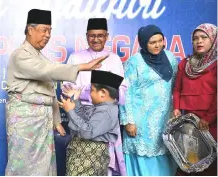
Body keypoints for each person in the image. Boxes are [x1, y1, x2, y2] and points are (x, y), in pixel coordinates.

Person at [5, 9, 107, 176]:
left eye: (50, 31)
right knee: (22, 166)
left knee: (44, 167)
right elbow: (47, 71)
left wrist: (56, 120)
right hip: (24, 123)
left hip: (42, 122)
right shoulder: (20, 55)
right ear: (31, 30)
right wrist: (83, 66)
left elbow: (49, 88)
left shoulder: (38, 56)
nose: (47, 35)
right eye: (44, 30)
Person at [63, 18, 127, 175]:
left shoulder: (114, 59)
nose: (96, 39)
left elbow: (123, 90)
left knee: (104, 164)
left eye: (100, 35)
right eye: (92, 35)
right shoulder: (75, 58)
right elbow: (67, 88)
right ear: (86, 36)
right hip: (80, 113)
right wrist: (86, 94)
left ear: (106, 36)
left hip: (105, 117)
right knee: (80, 157)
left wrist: (90, 92)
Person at [119, 24, 178, 176]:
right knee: (142, 153)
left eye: (160, 40)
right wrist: (128, 121)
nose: (158, 45)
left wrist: (176, 109)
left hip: (165, 117)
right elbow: (126, 93)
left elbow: (175, 86)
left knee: (165, 150)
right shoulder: (135, 61)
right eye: (152, 42)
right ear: (144, 42)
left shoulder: (170, 58)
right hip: (141, 120)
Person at [59, 70, 124, 176]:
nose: (89, 94)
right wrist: (75, 101)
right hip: (82, 156)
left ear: (103, 93)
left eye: (92, 90)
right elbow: (83, 118)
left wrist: (70, 111)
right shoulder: (101, 107)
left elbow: (87, 132)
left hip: (90, 158)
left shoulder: (107, 112)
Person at [173, 23, 217, 176]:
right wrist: (176, 108)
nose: (199, 41)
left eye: (204, 37)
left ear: (213, 39)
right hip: (189, 122)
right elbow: (177, 89)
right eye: (195, 38)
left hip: (211, 123)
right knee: (189, 161)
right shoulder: (185, 64)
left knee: (210, 164)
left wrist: (209, 118)